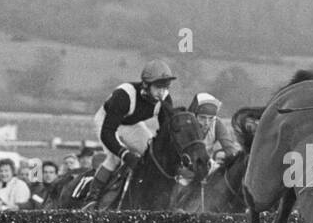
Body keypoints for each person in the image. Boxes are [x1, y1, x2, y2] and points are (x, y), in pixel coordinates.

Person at [87, 59, 178, 204]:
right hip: (107, 123)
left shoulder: (165, 100)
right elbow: (108, 133)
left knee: (151, 155)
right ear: (146, 85)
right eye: (158, 87)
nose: (162, 92)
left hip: (132, 124)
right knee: (115, 158)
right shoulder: (123, 95)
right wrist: (125, 154)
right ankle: (92, 198)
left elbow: (166, 134)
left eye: (165, 87)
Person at [191, 93, 241, 164]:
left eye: (210, 118)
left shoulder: (217, 124)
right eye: (202, 117)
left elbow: (228, 147)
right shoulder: (188, 126)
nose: (206, 123)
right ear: (194, 116)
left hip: (207, 164)